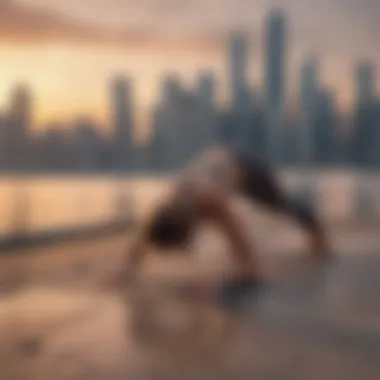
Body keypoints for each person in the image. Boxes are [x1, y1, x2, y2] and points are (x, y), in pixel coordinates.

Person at [110, 145, 330, 308]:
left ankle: (316, 230)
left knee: (277, 203)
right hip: (222, 160)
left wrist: (250, 269)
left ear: (187, 228)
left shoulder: (208, 202)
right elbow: (147, 234)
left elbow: (236, 233)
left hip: (249, 167)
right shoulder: (169, 207)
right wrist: (126, 269)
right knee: (273, 204)